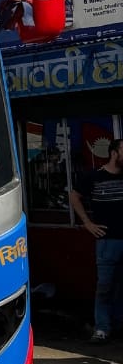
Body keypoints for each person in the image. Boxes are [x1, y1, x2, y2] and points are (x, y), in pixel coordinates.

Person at [69, 138, 123, 343]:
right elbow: (74, 197)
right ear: (114, 153)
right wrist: (88, 223)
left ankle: (117, 323)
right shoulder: (93, 176)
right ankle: (102, 328)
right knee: (105, 286)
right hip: (107, 240)